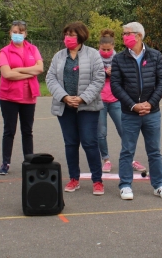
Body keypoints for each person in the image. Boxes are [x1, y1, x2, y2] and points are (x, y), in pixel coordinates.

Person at [110, 22, 162, 200]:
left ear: (138, 35)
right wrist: (133, 105)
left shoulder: (155, 55)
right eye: (123, 34)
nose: (124, 37)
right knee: (127, 150)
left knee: (154, 150)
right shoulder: (119, 58)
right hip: (130, 113)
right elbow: (116, 85)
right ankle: (125, 185)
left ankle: (159, 184)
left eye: (127, 33)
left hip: (151, 113)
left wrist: (150, 104)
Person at [46, 22, 106, 195]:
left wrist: (82, 98)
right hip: (65, 107)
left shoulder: (93, 55)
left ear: (80, 36)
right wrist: (64, 97)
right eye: (66, 34)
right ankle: (74, 178)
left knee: (89, 142)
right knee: (71, 144)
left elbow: (99, 79)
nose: (68, 38)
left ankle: (97, 180)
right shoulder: (58, 56)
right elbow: (50, 79)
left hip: (87, 107)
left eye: (72, 35)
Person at [0, 21, 44, 175]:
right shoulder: (5, 52)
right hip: (9, 97)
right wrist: (30, 73)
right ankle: (6, 162)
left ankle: (28, 160)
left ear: (26, 34)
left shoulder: (33, 49)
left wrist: (19, 70)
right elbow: (7, 74)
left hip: (28, 96)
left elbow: (40, 68)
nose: (18, 34)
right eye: (15, 31)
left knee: (27, 130)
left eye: (21, 31)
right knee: (9, 130)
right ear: (10, 33)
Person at [97, 29, 125, 173]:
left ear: (113, 47)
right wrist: (103, 72)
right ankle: (106, 159)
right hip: (99, 100)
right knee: (101, 133)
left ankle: (129, 158)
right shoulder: (94, 58)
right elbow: (90, 75)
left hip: (115, 99)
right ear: (99, 47)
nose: (106, 51)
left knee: (123, 129)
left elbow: (125, 76)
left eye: (109, 49)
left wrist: (115, 72)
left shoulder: (119, 58)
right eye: (103, 49)